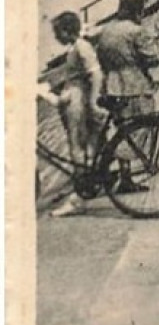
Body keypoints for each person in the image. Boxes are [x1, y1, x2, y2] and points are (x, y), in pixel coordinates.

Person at [43, 13, 103, 216]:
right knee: (84, 146)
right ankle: (84, 188)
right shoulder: (79, 45)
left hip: (76, 99)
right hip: (76, 95)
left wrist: (94, 101)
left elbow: (95, 73)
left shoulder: (80, 47)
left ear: (66, 31)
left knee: (76, 146)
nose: (55, 36)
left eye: (57, 32)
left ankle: (79, 198)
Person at [91, 0, 159, 119]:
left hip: (111, 85)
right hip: (135, 85)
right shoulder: (137, 31)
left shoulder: (106, 29)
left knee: (122, 126)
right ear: (137, 13)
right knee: (142, 127)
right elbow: (153, 59)